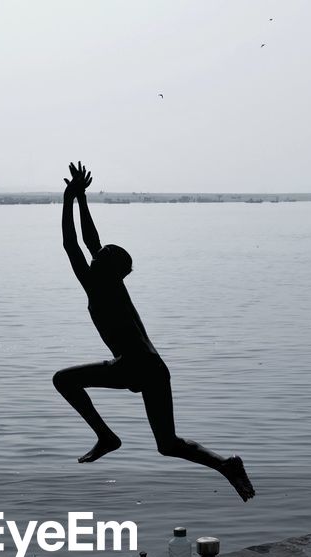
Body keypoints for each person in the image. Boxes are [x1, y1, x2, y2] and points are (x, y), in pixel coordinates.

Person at [53, 161, 256, 501]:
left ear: (103, 265)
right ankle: (226, 464)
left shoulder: (96, 285)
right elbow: (91, 241)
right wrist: (82, 198)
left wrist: (67, 198)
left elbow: (72, 244)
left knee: (63, 380)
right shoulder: (114, 284)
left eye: (100, 255)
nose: (96, 253)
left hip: (131, 365)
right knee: (168, 444)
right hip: (155, 368)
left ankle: (106, 437)